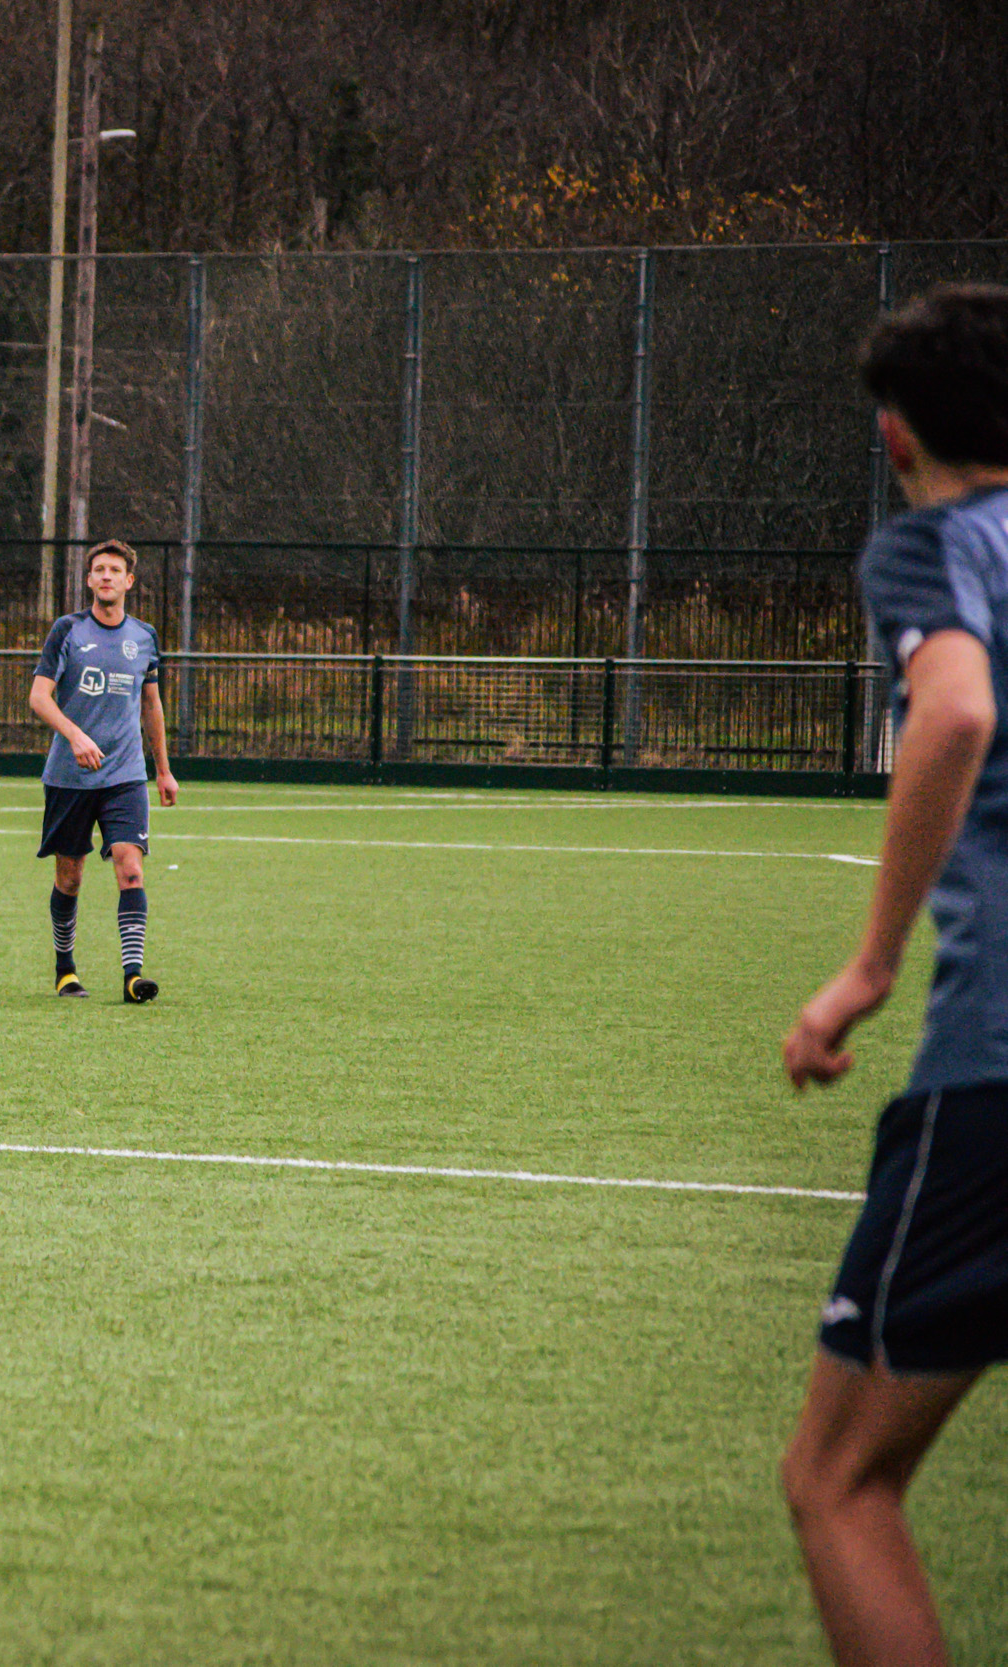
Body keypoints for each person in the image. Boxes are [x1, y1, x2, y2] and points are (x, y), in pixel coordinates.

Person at [780, 282, 1008, 1667]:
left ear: (892, 434)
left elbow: (961, 707)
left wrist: (870, 968)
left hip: (995, 1072)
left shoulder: (931, 550)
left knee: (839, 1480)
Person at [27, 540, 179, 1003]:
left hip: (126, 775)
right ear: (89, 580)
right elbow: (38, 697)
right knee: (69, 879)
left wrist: (163, 771)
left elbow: (150, 704)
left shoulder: (146, 637)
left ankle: (133, 977)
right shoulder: (67, 630)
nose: (107, 576)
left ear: (129, 581)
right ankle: (65, 969)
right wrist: (74, 736)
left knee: (130, 868)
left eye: (115, 570)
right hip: (70, 778)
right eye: (99, 570)